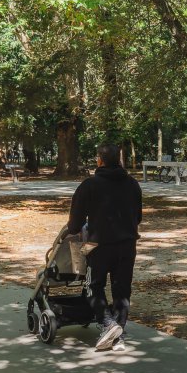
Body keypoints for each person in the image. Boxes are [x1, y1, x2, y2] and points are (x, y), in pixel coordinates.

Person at [67, 144, 142, 351]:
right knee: (122, 290)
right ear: (119, 160)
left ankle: (108, 324)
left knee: (92, 286)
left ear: (100, 160)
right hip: (127, 244)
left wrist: (78, 229)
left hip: (98, 244)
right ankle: (119, 334)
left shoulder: (89, 185)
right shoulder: (133, 184)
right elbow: (138, 217)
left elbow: (74, 224)